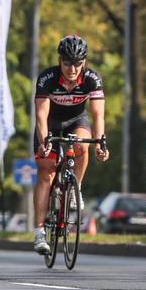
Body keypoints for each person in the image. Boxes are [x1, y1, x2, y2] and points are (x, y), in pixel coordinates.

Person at [31, 35, 109, 255]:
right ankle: (39, 233)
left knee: (83, 145)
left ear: (84, 62)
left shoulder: (92, 78)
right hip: (50, 123)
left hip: (77, 119)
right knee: (46, 172)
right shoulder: (47, 77)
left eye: (77, 63)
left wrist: (100, 143)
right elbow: (41, 114)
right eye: (67, 62)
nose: (72, 68)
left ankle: (76, 188)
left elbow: (98, 115)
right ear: (59, 60)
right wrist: (45, 142)